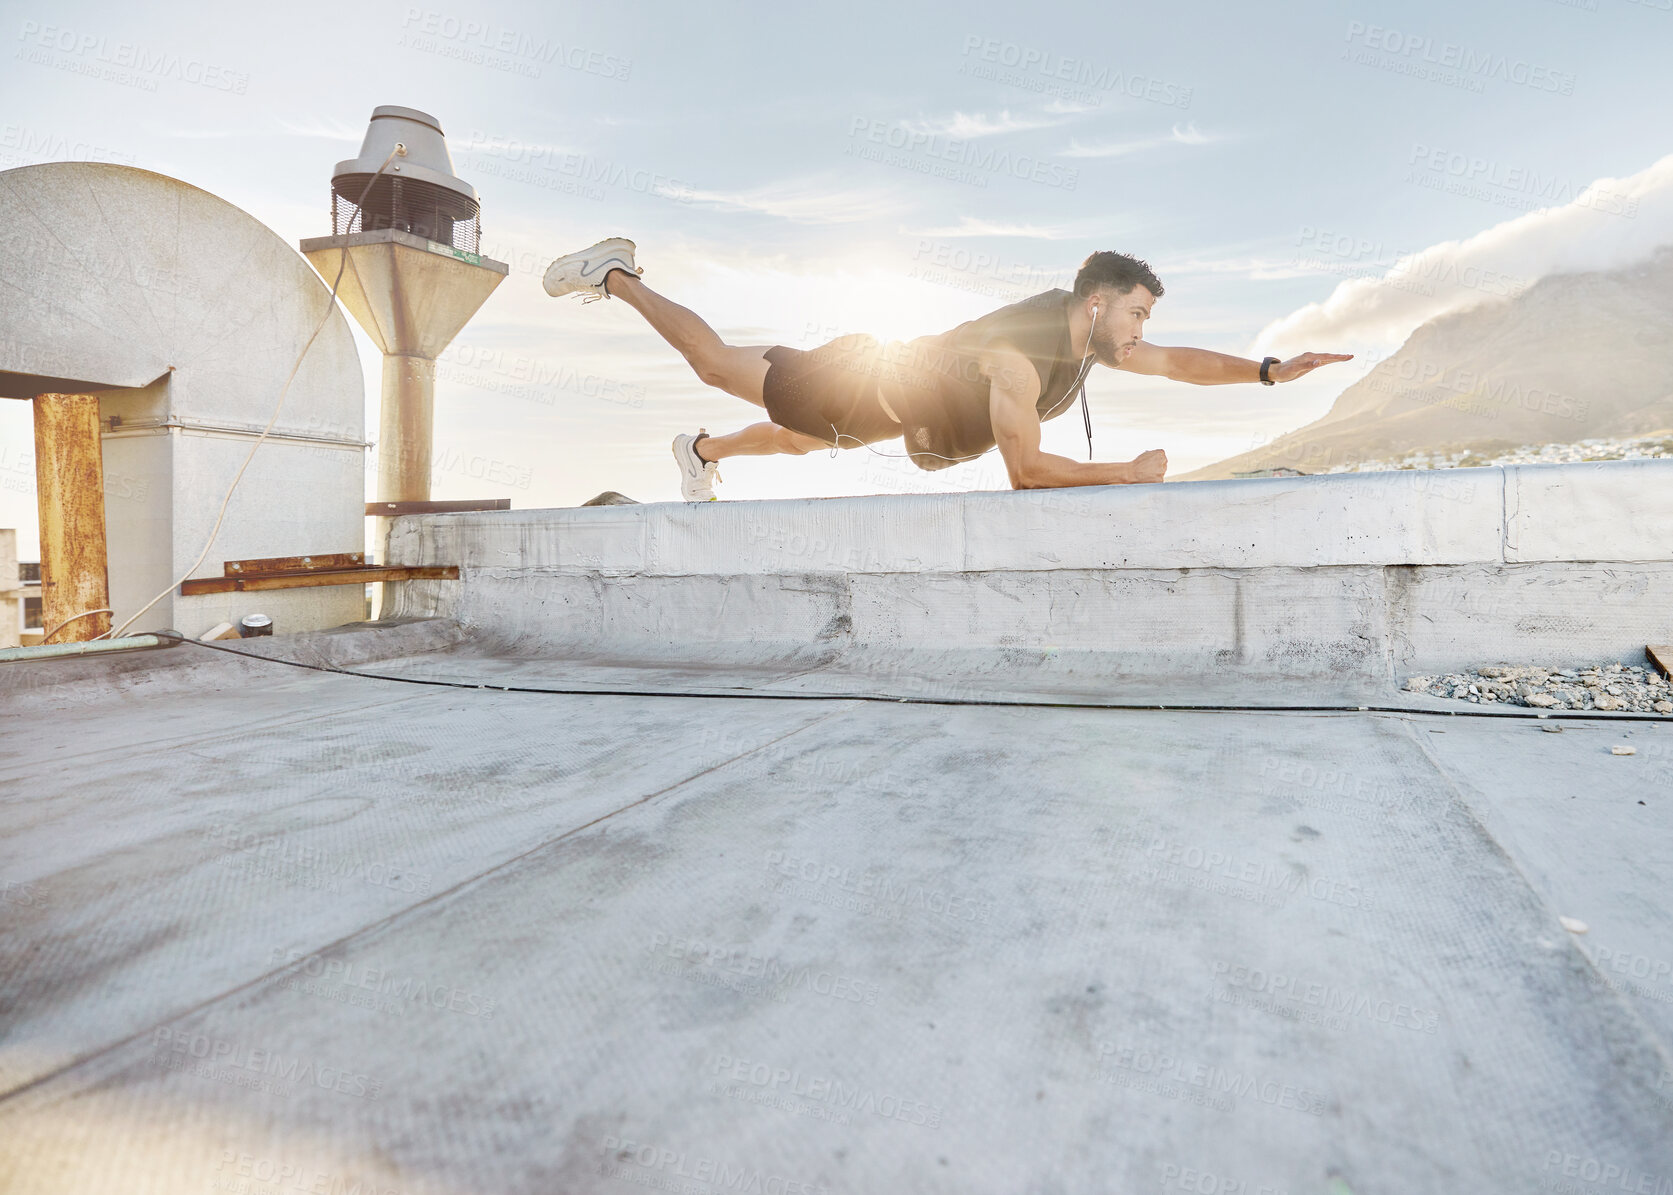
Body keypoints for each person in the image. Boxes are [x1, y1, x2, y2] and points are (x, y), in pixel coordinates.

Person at [543, 239, 1353, 501]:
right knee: (716, 365)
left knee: (799, 443)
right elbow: (1027, 473)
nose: (1144, 332)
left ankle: (701, 455)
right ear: (1099, 306)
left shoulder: (1084, 341)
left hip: (882, 402)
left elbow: (1178, 364)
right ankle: (616, 274)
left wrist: (1268, 371)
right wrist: (1126, 474)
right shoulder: (1017, 361)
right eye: (1138, 313)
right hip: (859, 378)